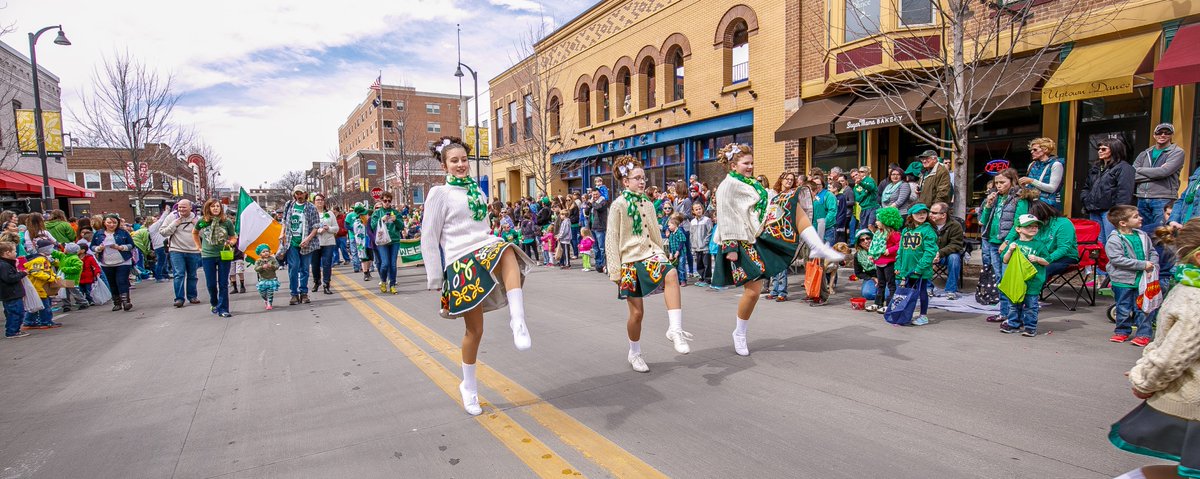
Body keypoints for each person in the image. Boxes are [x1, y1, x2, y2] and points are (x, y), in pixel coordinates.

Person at [419, 137, 536, 416]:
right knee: (475, 331)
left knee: (508, 251)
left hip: (483, 248)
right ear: (444, 165)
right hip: (460, 260)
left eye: (463, 160)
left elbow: (483, 228)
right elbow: (428, 236)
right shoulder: (439, 194)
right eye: (454, 161)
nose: (461, 165)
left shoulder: (477, 192)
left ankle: (517, 321)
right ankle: (468, 387)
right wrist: (436, 277)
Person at [712, 144, 843, 356]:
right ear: (733, 164)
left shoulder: (751, 182)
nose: (750, 167)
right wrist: (731, 248)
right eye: (746, 163)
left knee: (792, 203)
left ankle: (817, 246)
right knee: (753, 292)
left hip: (760, 229)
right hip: (742, 240)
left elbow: (764, 200)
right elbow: (727, 217)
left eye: (752, 163)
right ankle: (740, 332)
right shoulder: (727, 186)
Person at [1109, 218, 1200, 479]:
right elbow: (1172, 354)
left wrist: (1144, 378)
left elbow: (1169, 354)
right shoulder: (1192, 297)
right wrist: (1144, 378)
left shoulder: (1190, 294)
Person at [604, 155, 693, 373]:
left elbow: (654, 233)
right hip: (630, 261)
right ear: (626, 181)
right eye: (637, 178)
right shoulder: (618, 205)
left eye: (643, 177)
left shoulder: (648, 204)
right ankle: (634, 352)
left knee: (671, 274)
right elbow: (611, 238)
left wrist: (663, 256)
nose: (642, 181)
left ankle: (675, 329)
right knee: (637, 314)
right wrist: (615, 271)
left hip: (651, 254)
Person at [980, 168, 1034, 323]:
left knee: (1008, 279)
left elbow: (1019, 222)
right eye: (996, 182)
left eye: (1002, 182)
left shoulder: (1019, 198)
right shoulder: (995, 197)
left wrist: (1007, 242)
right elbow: (983, 221)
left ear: (1012, 181)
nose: (998, 185)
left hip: (1008, 244)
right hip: (992, 241)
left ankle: (1014, 315)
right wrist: (988, 205)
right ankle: (1004, 313)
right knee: (1000, 279)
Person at [1106, 205, 1158, 347]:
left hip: (1143, 279)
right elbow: (1117, 259)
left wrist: (1153, 264)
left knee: (1143, 307)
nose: (1140, 218)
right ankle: (1122, 331)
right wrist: (1142, 264)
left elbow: (1152, 251)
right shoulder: (1115, 239)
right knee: (1123, 307)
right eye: (1135, 216)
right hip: (1122, 281)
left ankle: (1143, 334)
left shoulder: (1143, 236)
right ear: (1123, 223)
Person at [998, 214, 1051, 337]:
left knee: (1031, 305)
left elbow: (1047, 261)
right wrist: (1010, 250)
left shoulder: (1039, 245)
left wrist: (1038, 259)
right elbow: (1005, 260)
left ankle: (1030, 327)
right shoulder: (1014, 244)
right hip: (1017, 280)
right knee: (1014, 304)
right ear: (1018, 229)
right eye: (1029, 226)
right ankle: (1013, 324)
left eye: (1035, 226)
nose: (1033, 229)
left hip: (1033, 281)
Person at [1133, 123, 1187, 234]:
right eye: (1159, 132)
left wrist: (1140, 169)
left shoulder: (1177, 152)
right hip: (1142, 197)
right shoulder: (1145, 153)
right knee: (1142, 233)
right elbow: (1132, 173)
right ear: (1154, 135)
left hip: (1163, 198)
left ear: (1171, 135)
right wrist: (1156, 173)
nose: (1162, 135)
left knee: (1161, 233)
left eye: (1167, 133)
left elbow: (1164, 172)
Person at [1081, 137, 1135, 244]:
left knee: (1112, 241)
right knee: (1098, 243)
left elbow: (1124, 192)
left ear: (1114, 150)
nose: (1100, 151)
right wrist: (1086, 200)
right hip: (1094, 210)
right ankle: (1102, 261)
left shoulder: (1124, 168)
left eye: (1104, 149)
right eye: (1099, 149)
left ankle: (1112, 261)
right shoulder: (1096, 168)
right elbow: (1086, 187)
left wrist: (1117, 212)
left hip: (1110, 211)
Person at [896, 203, 938, 326]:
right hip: (907, 268)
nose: (921, 215)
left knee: (922, 291)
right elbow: (901, 250)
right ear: (911, 215)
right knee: (908, 292)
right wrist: (898, 265)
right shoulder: (906, 230)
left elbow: (930, 252)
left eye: (924, 213)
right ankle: (907, 314)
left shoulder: (928, 230)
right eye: (918, 213)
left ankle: (923, 315)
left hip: (921, 269)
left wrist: (920, 268)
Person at [194, 199, 237, 318]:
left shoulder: (226, 222)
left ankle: (223, 309)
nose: (216, 208)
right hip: (208, 255)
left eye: (218, 206)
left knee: (223, 283)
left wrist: (231, 242)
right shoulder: (203, 221)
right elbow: (195, 233)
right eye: (213, 206)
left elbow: (233, 237)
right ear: (208, 208)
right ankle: (214, 302)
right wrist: (198, 247)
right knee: (211, 284)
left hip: (223, 255)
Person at [280, 185, 320, 304]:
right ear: (294, 195)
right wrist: (282, 233)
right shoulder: (289, 205)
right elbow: (284, 221)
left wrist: (308, 239)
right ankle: (294, 293)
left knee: (304, 269)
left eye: (301, 193)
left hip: (306, 242)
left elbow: (316, 226)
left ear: (305, 194)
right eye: (297, 193)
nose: (299, 196)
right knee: (293, 267)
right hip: (292, 241)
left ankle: (304, 293)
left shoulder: (311, 207)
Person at [160, 200, 202, 308]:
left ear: (190, 207)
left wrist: (197, 225)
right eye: (179, 207)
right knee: (179, 274)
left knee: (192, 275)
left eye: (184, 207)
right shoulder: (171, 217)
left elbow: (205, 234)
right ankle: (179, 298)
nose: (181, 209)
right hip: (176, 250)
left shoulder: (197, 218)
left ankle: (192, 296)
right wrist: (175, 224)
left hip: (193, 250)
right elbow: (163, 232)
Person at [766, 172, 799, 301]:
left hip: (787, 232)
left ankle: (782, 292)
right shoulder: (775, 197)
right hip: (775, 232)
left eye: (792, 179)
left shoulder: (794, 195)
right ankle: (774, 290)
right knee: (774, 262)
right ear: (781, 180)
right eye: (787, 179)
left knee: (782, 263)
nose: (789, 181)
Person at [92, 216, 135, 312]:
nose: (112, 225)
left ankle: (126, 302)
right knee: (112, 282)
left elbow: (131, 245)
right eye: (109, 222)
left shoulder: (123, 233)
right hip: (106, 262)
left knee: (122, 280)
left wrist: (120, 247)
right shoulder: (99, 234)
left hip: (123, 261)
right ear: (104, 223)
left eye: (114, 223)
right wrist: (98, 248)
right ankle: (117, 302)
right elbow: (92, 246)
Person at [1028, 201, 1078, 279]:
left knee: (1042, 271)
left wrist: (1046, 259)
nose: (1035, 226)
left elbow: (1063, 248)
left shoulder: (1063, 223)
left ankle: (1033, 291)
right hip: (1043, 256)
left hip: (1066, 257)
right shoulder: (1037, 225)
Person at [867, 207, 903, 313]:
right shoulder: (878, 233)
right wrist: (872, 255)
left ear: (886, 221)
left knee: (891, 284)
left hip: (889, 262)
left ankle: (890, 304)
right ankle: (877, 303)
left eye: (878, 220)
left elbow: (899, 245)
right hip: (879, 262)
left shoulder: (893, 234)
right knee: (880, 283)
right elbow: (875, 247)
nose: (876, 222)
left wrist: (890, 250)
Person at [370, 192, 404, 294]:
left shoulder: (395, 212)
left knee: (393, 265)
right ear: (381, 201)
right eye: (385, 201)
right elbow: (372, 226)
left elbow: (401, 226)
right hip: (382, 241)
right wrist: (382, 219)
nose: (387, 203)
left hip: (394, 240)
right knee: (384, 264)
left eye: (389, 201)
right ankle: (383, 281)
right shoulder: (377, 213)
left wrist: (395, 220)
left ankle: (392, 284)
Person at [929, 202, 964, 300]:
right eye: (930, 212)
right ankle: (927, 287)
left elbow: (956, 245)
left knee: (954, 258)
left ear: (943, 215)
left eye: (934, 213)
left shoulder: (955, 226)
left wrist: (939, 253)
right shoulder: (927, 225)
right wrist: (932, 253)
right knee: (922, 255)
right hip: (930, 253)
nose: (930, 214)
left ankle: (951, 290)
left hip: (946, 255)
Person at [1019, 138, 1065, 211]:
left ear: (1045, 150)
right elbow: (1030, 185)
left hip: (1047, 205)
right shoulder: (1032, 164)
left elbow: (1052, 189)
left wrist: (1031, 181)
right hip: (1030, 202)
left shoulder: (1056, 165)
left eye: (1035, 150)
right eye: (1031, 150)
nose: (1031, 152)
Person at [0, 242, 28, 338]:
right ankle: (12, 331)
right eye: (14, 251)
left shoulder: (6, 264)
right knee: (15, 312)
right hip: (11, 293)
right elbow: (9, 278)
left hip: (12, 293)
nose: (16, 253)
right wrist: (22, 273)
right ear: (7, 253)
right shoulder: (4, 265)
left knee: (17, 312)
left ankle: (15, 330)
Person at [313, 194, 339, 295]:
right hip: (315, 242)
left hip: (328, 242)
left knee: (327, 264)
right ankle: (316, 281)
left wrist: (328, 228)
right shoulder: (312, 213)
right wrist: (318, 230)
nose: (319, 202)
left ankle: (326, 284)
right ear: (314, 202)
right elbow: (308, 227)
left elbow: (336, 228)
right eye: (317, 200)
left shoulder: (330, 214)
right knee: (315, 264)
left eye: (321, 200)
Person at [688, 202, 713, 287]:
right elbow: (691, 234)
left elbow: (710, 232)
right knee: (699, 263)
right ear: (693, 211)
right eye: (696, 209)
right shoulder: (692, 222)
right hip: (696, 246)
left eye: (700, 209)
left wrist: (706, 242)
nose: (698, 211)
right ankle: (701, 277)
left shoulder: (707, 220)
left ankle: (707, 279)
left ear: (702, 209)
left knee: (706, 263)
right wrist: (692, 245)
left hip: (705, 246)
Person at [56, 243, 87, 312]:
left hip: (72, 279)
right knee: (64, 292)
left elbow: (77, 268)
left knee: (75, 292)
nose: (64, 249)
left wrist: (65, 269)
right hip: (63, 278)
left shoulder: (75, 259)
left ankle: (83, 302)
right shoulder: (64, 256)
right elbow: (56, 253)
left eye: (65, 248)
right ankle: (66, 305)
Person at [852, 229, 878, 303]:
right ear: (859, 243)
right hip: (871, 277)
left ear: (872, 239)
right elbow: (858, 273)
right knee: (868, 294)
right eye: (862, 240)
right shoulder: (858, 255)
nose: (866, 241)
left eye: (868, 238)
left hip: (886, 277)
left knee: (887, 295)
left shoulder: (880, 249)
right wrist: (872, 278)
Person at [811, 174, 837, 245]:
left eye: (818, 184)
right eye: (813, 184)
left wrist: (824, 223)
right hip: (814, 229)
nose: (816, 186)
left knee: (827, 253)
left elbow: (832, 211)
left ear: (822, 185)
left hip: (827, 230)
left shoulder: (829, 195)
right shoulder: (811, 196)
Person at [253, 244, 281, 310]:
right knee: (262, 293)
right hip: (263, 280)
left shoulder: (272, 259)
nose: (266, 253)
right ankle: (266, 300)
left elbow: (277, 266)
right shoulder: (258, 261)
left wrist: (271, 266)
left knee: (270, 292)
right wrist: (262, 267)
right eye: (263, 252)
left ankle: (270, 303)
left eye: (267, 251)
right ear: (260, 254)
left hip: (271, 279)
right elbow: (256, 269)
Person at [589, 189, 610, 274]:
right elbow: (587, 212)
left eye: (596, 194)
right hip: (593, 227)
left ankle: (603, 265)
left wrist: (592, 203)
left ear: (600, 194)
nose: (594, 196)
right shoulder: (593, 203)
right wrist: (588, 205)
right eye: (593, 195)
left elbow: (599, 208)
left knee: (602, 248)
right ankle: (598, 265)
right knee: (595, 248)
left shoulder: (603, 201)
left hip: (600, 227)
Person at [351, 205, 375, 282]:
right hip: (361, 242)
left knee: (370, 258)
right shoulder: (356, 222)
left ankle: (367, 271)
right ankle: (365, 273)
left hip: (369, 240)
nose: (366, 215)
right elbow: (357, 232)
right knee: (364, 258)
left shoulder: (368, 220)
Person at [666, 213, 688, 287]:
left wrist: (678, 251)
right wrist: (671, 253)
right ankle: (677, 280)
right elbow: (670, 244)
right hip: (674, 252)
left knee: (681, 266)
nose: (668, 227)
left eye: (669, 225)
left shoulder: (679, 232)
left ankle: (683, 280)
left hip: (681, 252)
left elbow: (682, 241)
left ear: (675, 225)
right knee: (676, 266)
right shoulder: (671, 234)